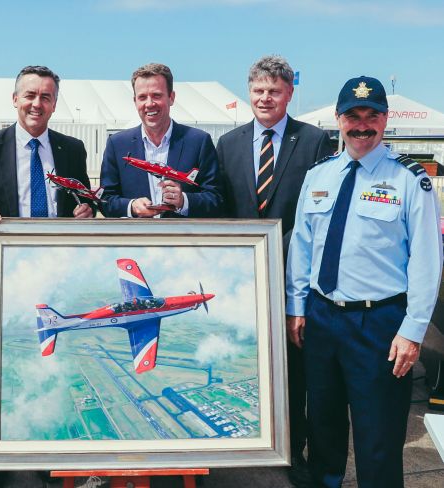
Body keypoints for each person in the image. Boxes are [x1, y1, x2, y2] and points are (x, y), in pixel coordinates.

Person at [286, 76, 443, 487]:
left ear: (385, 120)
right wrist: (297, 307)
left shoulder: (410, 181)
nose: (361, 125)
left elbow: (427, 262)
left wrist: (411, 332)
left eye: (371, 116)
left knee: (378, 437)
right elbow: (302, 247)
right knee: (323, 426)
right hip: (321, 318)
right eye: (352, 116)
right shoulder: (318, 176)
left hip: (379, 325)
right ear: (339, 120)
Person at [0, 65, 95, 488]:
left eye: (47, 97)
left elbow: (84, 199)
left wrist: (86, 211)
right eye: (30, 96)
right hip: (7, 281)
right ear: (15, 99)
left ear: (56, 103)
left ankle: (53, 465)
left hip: (58, 278)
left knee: (56, 369)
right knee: (3, 371)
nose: (38, 104)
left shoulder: (71, 149)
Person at [216, 55, 332, 488]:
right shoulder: (227, 144)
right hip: (242, 279)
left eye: (275, 91)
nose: (266, 98)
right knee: (243, 363)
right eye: (259, 91)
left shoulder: (315, 141)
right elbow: (223, 211)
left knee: (296, 370)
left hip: (294, 278)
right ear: (249, 93)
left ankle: (294, 453)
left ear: (289, 94)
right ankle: (241, 444)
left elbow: (320, 215)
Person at [99, 62, 223, 218]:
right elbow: (104, 200)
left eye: (157, 95)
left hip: (183, 241)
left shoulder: (199, 141)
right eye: (142, 97)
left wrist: (183, 201)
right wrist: (131, 207)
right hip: (138, 240)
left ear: (171, 98)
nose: (149, 104)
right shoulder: (117, 144)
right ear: (135, 101)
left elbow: (217, 199)